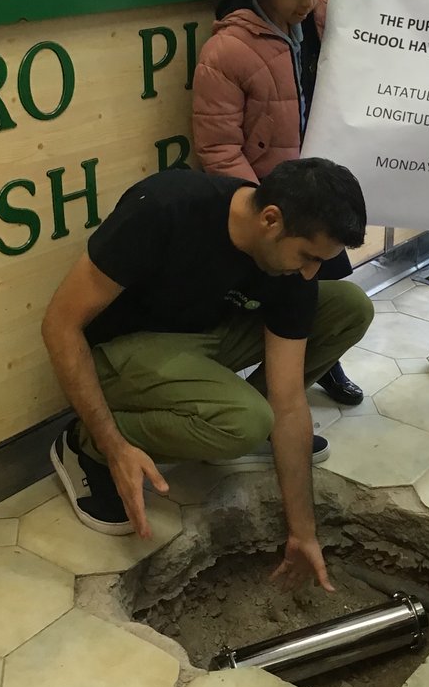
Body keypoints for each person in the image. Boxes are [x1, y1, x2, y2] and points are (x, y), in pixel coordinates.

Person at [42, 158, 373, 590]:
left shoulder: (291, 264)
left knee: (349, 306)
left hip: (206, 336)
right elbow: (60, 325)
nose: (311, 271)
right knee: (246, 420)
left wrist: (303, 533)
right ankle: (84, 444)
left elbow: (289, 399)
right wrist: (114, 445)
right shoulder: (165, 207)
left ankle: (234, 426)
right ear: (271, 220)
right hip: (121, 352)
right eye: (309, 256)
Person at [192, 0, 371, 406]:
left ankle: (316, 371)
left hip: (315, 190)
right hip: (270, 207)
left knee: (326, 285)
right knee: (286, 297)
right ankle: (268, 402)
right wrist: (263, 208)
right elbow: (218, 148)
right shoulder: (226, 51)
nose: (306, 1)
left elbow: (353, 18)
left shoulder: (311, 19)